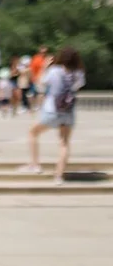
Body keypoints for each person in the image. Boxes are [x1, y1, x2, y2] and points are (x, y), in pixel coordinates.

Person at [21, 47, 87, 184]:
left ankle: (35, 164)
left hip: (52, 110)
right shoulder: (79, 74)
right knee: (64, 142)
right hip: (68, 111)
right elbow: (78, 86)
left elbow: (40, 84)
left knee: (33, 133)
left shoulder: (55, 71)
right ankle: (58, 175)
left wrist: (45, 66)